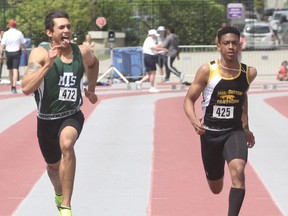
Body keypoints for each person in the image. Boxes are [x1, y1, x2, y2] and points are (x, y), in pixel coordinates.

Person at [21, 10, 99, 216]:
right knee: (53, 168)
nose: (67, 30)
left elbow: (94, 63)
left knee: (67, 144)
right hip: (46, 121)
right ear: (49, 32)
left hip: (72, 114)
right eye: (61, 27)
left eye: (68, 27)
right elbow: (26, 88)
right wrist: (48, 64)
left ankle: (66, 205)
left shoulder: (81, 51)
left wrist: (91, 88)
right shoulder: (40, 53)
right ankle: (58, 193)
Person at [183, 26, 257, 216]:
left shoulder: (248, 73)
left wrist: (246, 128)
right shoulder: (207, 70)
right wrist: (194, 121)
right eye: (226, 43)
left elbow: (242, 97)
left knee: (238, 171)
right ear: (218, 46)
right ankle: (217, 172)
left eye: (234, 43)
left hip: (234, 131)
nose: (231, 47)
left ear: (239, 45)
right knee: (215, 187)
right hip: (210, 133)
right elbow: (189, 99)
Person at [0, 19, 26, 93]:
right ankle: (14, 86)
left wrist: (0, 54)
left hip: (8, 52)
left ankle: (12, 86)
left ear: (9, 25)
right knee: (15, 69)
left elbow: (2, 45)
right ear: (15, 25)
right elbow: (23, 43)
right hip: (16, 52)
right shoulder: (19, 33)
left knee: (10, 70)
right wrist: (24, 51)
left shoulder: (6, 34)